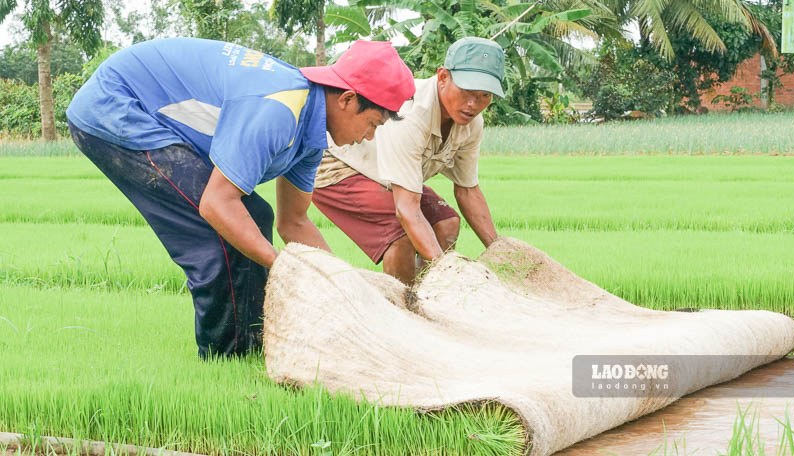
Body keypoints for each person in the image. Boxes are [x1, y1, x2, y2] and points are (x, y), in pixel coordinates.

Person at [66, 37, 415, 358]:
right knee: (217, 235)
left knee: (254, 217)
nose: (369, 138)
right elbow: (216, 205)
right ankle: (225, 359)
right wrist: (288, 267)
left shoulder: (310, 136)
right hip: (116, 106)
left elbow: (294, 222)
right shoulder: (279, 108)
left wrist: (341, 282)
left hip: (140, 111)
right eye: (373, 124)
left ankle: (251, 345)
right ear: (348, 99)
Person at [312, 37, 504, 284]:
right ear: (443, 77)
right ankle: (402, 311)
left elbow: (468, 190)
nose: (473, 104)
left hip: (383, 173)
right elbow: (407, 211)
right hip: (338, 166)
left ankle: (425, 297)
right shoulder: (412, 115)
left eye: (484, 96)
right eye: (467, 92)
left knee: (446, 223)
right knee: (401, 233)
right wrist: (451, 275)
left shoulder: (471, 124)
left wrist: (500, 252)